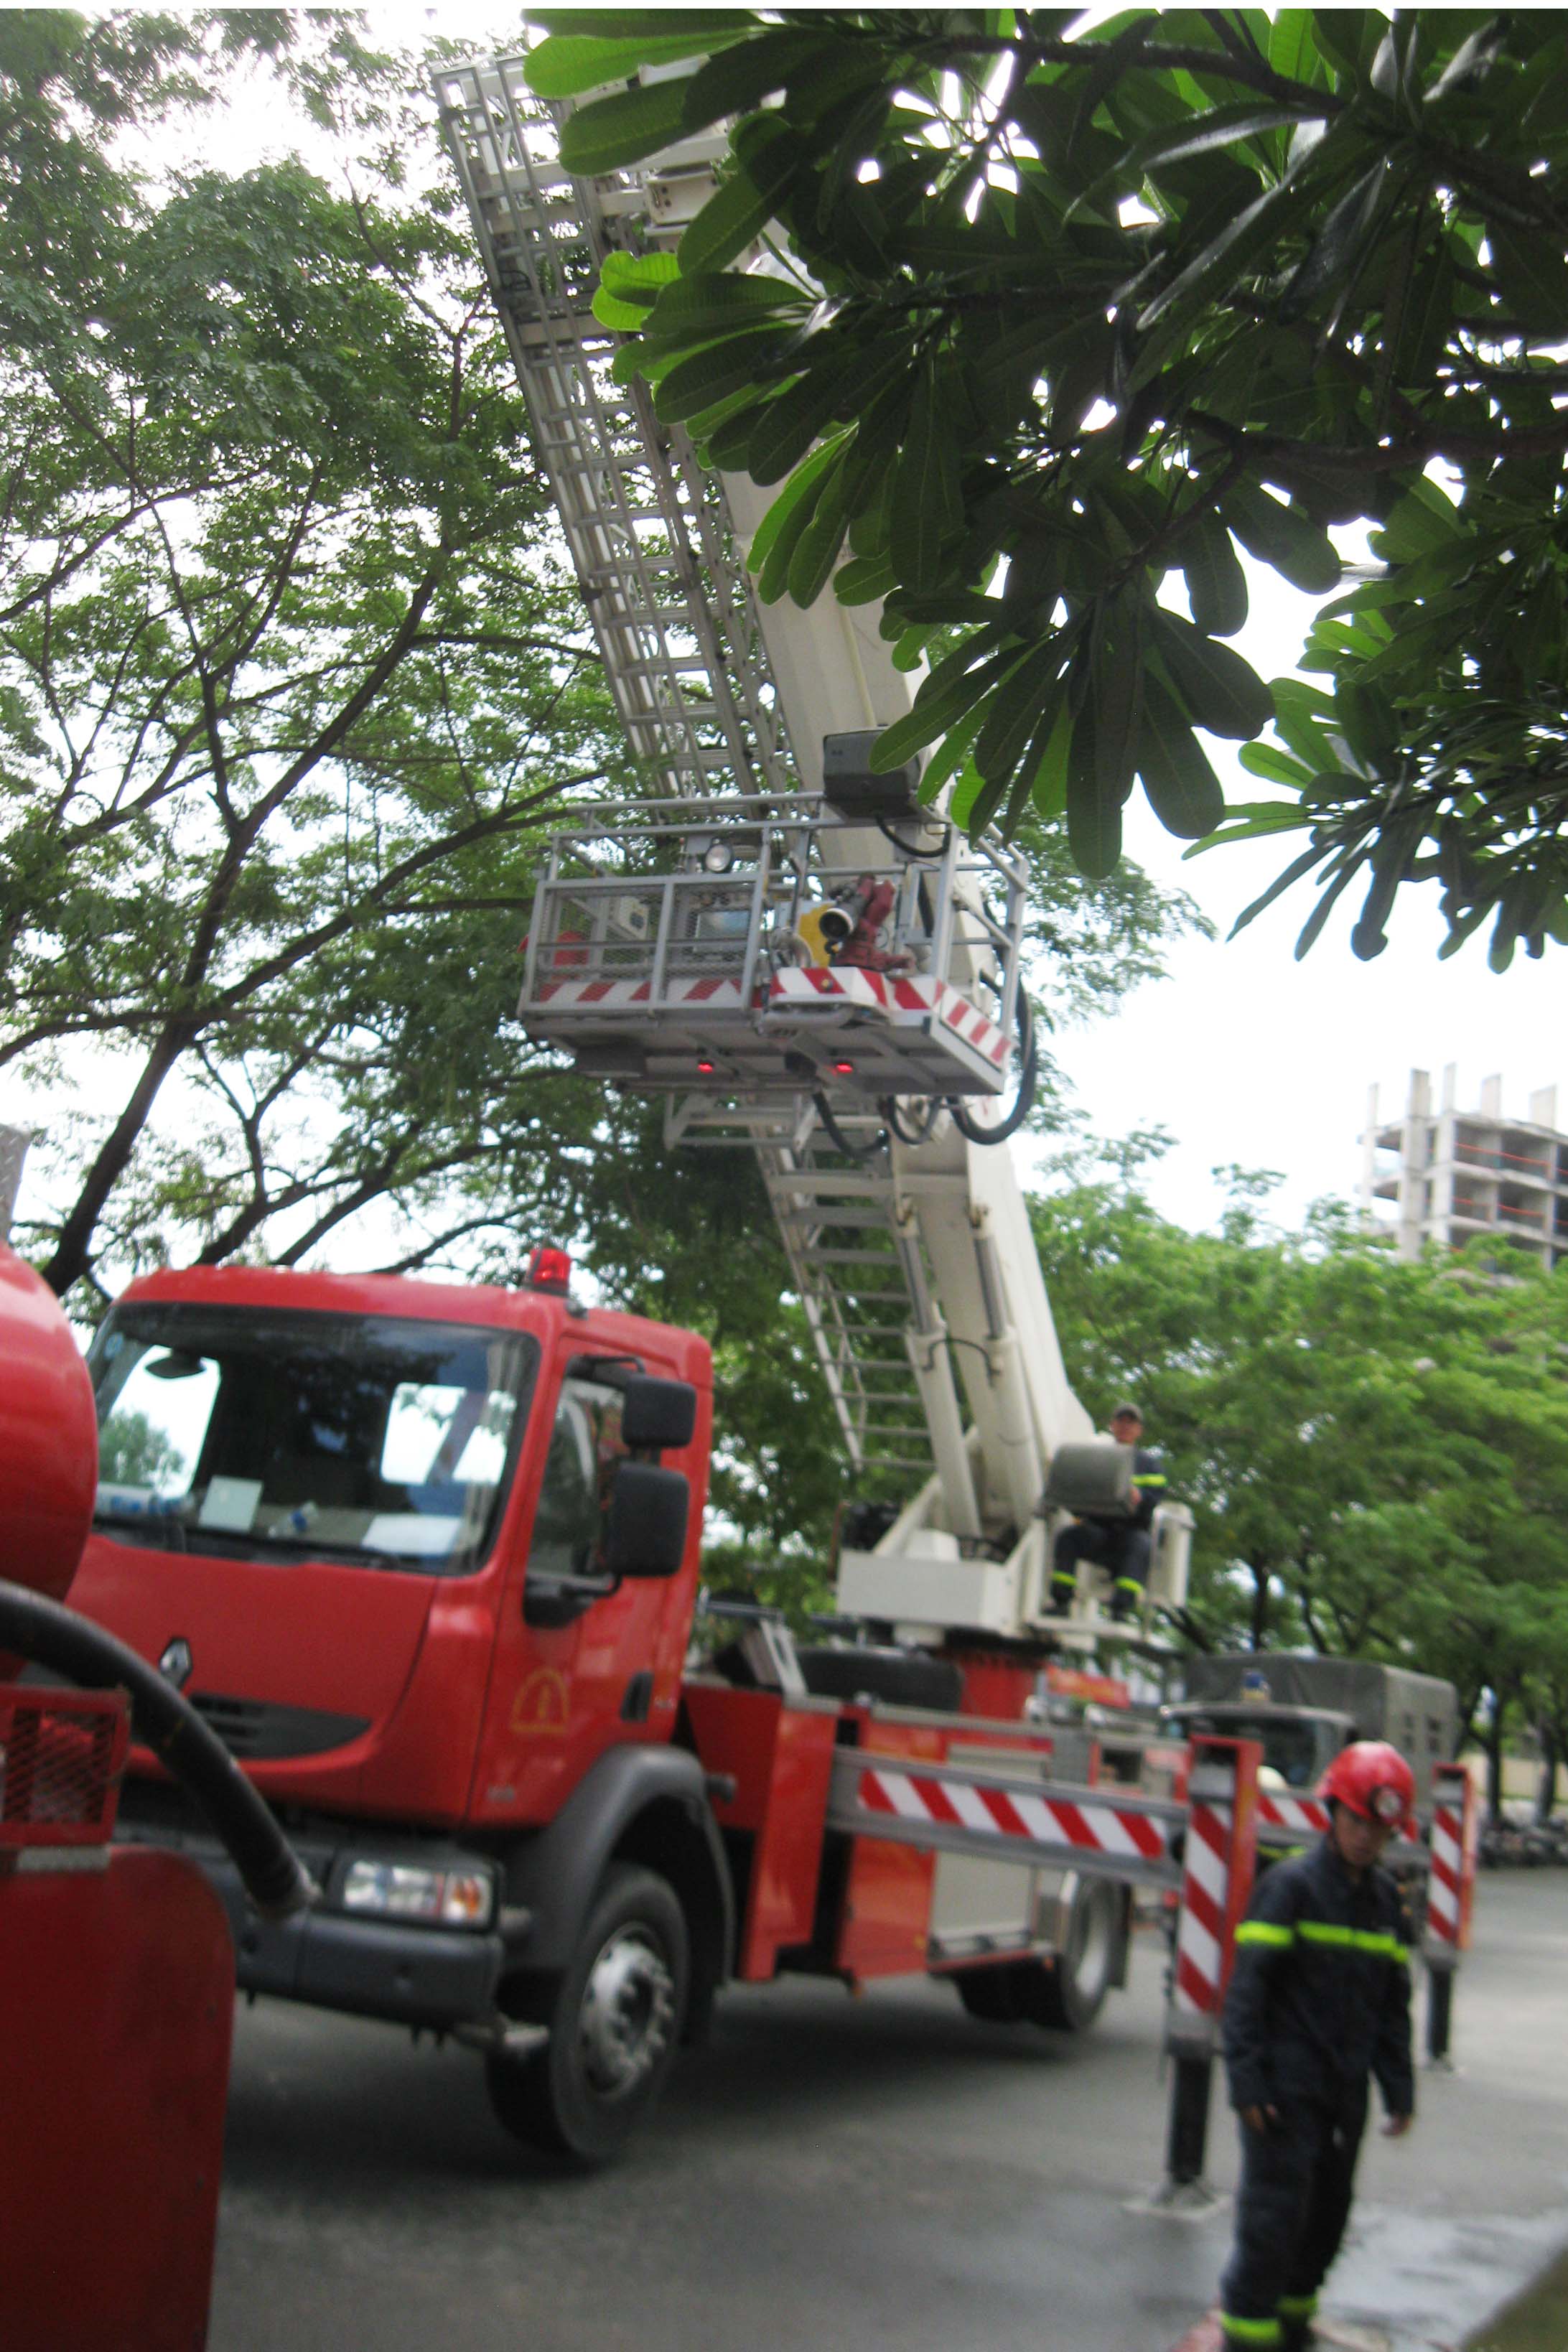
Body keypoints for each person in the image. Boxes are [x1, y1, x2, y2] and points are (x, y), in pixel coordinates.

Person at [1216, 1740, 1418, 2351]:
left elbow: (1392, 2008)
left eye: (1378, 1829)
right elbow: (1247, 1994)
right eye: (1357, 1821)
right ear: (1333, 1812)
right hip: (1284, 2092)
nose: (1365, 1837)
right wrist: (1247, 2082)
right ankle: (1248, 2337)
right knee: (1273, 2221)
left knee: (1328, 2216)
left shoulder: (1385, 1904)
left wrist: (1400, 2089)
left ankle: (1294, 2323)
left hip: (1343, 2093)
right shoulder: (1291, 1888)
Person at [1048, 1401, 1167, 1618]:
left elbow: (1156, 1496)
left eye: (1130, 1423)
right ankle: (1061, 1601)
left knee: (1140, 1545)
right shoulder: (1097, 1459)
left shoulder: (1149, 1465)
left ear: (1139, 1430)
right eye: (1121, 1422)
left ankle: (1121, 1608)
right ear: (1112, 1426)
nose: (1125, 1427)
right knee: (1068, 1538)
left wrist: (1140, 1497)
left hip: (1130, 1532)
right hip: (1098, 1531)